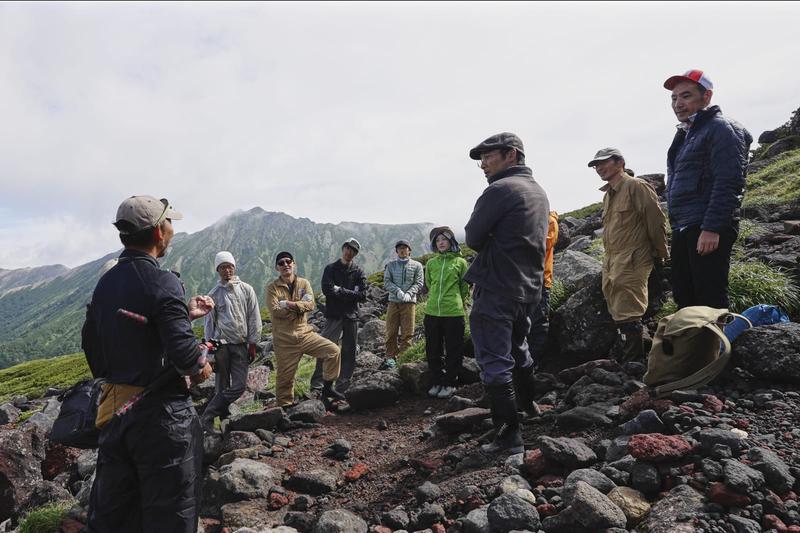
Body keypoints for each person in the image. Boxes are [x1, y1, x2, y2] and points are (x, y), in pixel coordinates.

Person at [82, 195, 215, 532]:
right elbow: (187, 359)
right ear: (158, 232)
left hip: (114, 412)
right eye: (170, 222)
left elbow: (96, 350)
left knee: (117, 514)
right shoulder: (163, 280)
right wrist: (203, 363)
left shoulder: (105, 283)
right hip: (161, 420)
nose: (173, 229)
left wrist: (181, 316)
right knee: (170, 514)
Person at [465, 132, 549, 454]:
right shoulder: (538, 191)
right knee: (519, 348)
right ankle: (528, 407)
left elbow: (472, 237)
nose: (483, 164)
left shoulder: (500, 189)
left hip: (497, 286)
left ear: (511, 155)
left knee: (494, 359)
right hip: (527, 288)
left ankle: (508, 436)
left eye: (488, 157)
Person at [664, 69, 752, 309]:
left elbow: (729, 181)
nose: (678, 103)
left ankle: (714, 347)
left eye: (686, 96)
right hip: (684, 226)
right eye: (674, 98)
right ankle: (693, 347)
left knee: (709, 299)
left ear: (707, 96)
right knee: (685, 298)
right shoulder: (686, 134)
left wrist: (712, 228)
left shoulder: (722, 128)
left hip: (704, 226)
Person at [588, 148, 669, 360]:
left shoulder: (636, 186)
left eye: (603, 163)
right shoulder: (608, 195)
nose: (599, 168)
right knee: (616, 307)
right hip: (612, 260)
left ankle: (634, 362)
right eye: (596, 165)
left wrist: (661, 253)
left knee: (629, 308)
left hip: (634, 257)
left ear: (620, 162)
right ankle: (630, 356)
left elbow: (656, 221)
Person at [265, 251, 345, 408]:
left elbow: (310, 305)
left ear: (294, 264)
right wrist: (299, 306)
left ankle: (327, 388)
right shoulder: (272, 288)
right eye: (281, 263)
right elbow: (275, 311)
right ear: (277, 268)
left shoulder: (304, 283)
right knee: (285, 377)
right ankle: (285, 407)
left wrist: (290, 304)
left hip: (305, 334)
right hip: (284, 339)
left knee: (333, 351)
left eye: (288, 261)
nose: (285, 264)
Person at [200, 251, 262, 431]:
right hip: (221, 345)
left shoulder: (246, 289)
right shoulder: (213, 294)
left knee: (239, 386)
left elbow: (254, 317)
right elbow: (209, 325)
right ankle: (220, 421)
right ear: (217, 270)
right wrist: (209, 352)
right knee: (221, 383)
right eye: (222, 267)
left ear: (234, 267)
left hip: (241, 344)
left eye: (229, 266)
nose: (227, 270)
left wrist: (253, 343)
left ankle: (209, 413)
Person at [310, 238, 368, 394]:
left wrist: (341, 291)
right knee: (325, 348)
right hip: (334, 315)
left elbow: (362, 295)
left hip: (351, 316)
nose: (350, 252)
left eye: (354, 251)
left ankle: (343, 385)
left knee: (349, 351)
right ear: (343, 248)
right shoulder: (330, 269)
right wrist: (351, 294)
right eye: (348, 249)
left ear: (355, 254)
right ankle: (318, 385)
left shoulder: (358, 271)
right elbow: (327, 290)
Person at [423, 226, 469, 399]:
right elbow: (428, 283)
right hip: (432, 311)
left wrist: (456, 300)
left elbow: (464, 287)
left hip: (453, 312)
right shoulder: (431, 263)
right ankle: (437, 381)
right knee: (432, 349)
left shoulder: (460, 262)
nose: (441, 243)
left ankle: (450, 383)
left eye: (444, 239)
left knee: (453, 349)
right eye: (437, 240)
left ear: (451, 241)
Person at [382, 240, 424, 369]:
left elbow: (419, 283)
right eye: (399, 248)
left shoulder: (417, 265)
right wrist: (398, 292)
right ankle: (391, 357)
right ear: (396, 251)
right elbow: (387, 282)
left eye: (405, 248)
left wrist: (409, 294)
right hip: (394, 301)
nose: (402, 250)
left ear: (409, 250)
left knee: (408, 331)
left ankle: (404, 357)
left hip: (409, 303)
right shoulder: (391, 265)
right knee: (391, 331)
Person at [526, 210, 559, 368]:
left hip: (540, 281)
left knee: (538, 323)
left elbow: (544, 244)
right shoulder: (528, 219)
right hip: (523, 282)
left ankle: (533, 363)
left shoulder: (550, 220)